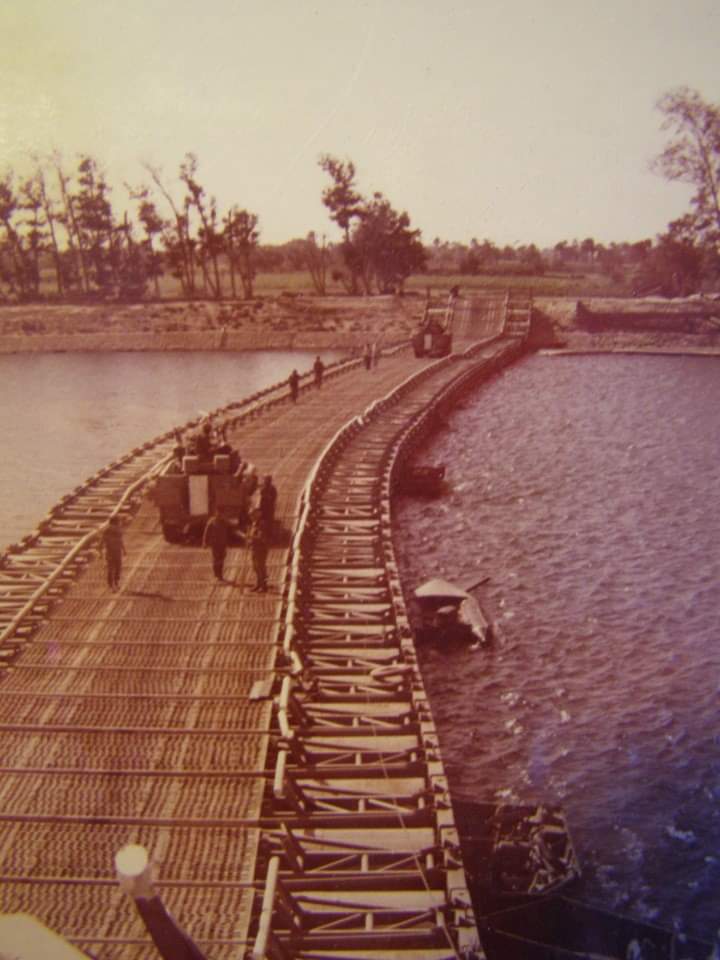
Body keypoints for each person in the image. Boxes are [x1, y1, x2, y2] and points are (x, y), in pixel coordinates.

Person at [202, 509, 232, 582]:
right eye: (218, 513)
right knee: (216, 559)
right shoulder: (212, 521)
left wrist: (228, 543)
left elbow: (229, 532)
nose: (220, 515)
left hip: (223, 544)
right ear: (216, 513)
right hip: (215, 544)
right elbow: (206, 532)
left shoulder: (224, 522)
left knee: (221, 559)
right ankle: (216, 574)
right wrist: (205, 542)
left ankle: (220, 575)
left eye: (221, 513)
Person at [102, 516, 126, 592]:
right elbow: (103, 540)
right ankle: (113, 583)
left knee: (114, 568)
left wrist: (124, 549)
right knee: (114, 568)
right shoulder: (109, 530)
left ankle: (113, 583)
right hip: (113, 552)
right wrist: (124, 549)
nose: (120, 523)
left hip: (114, 552)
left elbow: (120, 540)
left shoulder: (117, 530)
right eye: (119, 522)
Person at [248, 510, 268, 592]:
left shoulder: (261, 524)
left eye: (252, 515)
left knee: (260, 567)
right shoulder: (254, 524)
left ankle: (263, 586)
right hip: (254, 549)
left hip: (260, 549)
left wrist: (250, 537)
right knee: (255, 567)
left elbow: (261, 537)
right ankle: (258, 584)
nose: (251, 517)